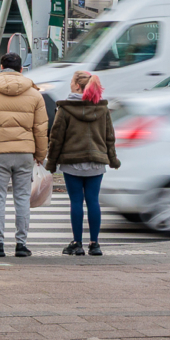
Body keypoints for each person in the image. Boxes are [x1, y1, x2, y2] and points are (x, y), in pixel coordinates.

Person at [0, 52, 48, 258]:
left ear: (1, 67)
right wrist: (40, 154)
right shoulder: (34, 94)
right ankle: (21, 244)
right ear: (21, 69)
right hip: (24, 153)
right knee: (22, 198)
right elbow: (40, 128)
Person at [46, 70, 117, 256]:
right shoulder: (102, 109)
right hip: (96, 161)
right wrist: (112, 158)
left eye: (71, 81)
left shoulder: (65, 109)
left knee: (76, 201)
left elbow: (56, 138)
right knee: (93, 201)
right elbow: (110, 136)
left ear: (77, 85)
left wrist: (51, 163)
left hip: (72, 161)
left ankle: (77, 243)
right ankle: (95, 244)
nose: (70, 84)